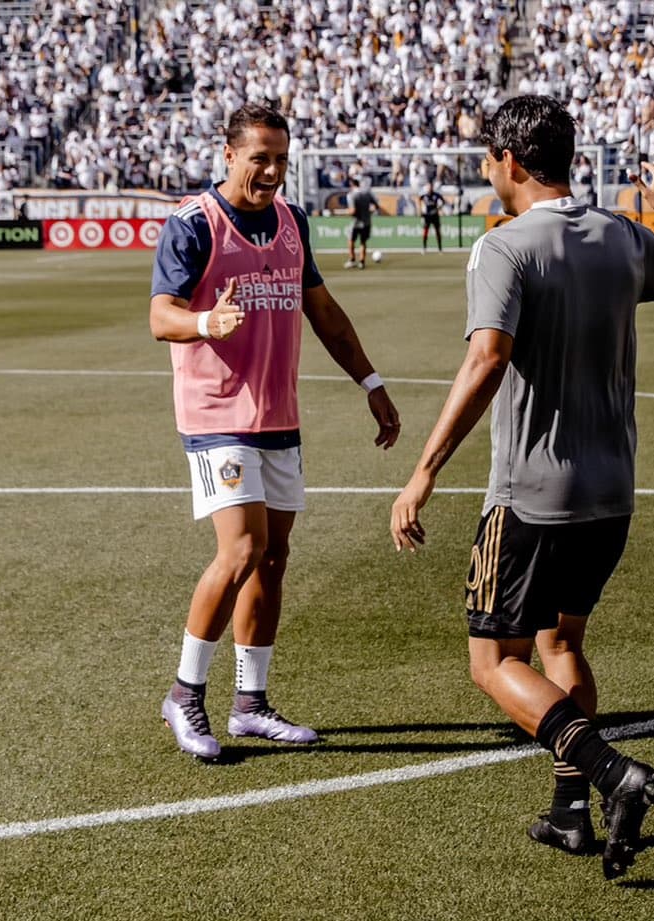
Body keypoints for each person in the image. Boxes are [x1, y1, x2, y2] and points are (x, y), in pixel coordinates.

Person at [389, 95, 654, 879]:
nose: (483, 169)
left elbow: (486, 358)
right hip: (612, 491)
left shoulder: (502, 247)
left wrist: (423, 470)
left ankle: (612, 774)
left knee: (489, 659)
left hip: (530, 494)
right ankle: (570, 811)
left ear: (508, 162)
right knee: (561, 641)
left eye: (485, 157)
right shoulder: (622, 234)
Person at [150, 103, 401, 761]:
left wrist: (370, 384)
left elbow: (322, 310)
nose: (270, 171)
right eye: (259, 157)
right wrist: (206, 324)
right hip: (215, 415)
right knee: (240, 549)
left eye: (280, 159)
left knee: (272, 557)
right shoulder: (192, 223)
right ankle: (184, 693)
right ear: (228, 154)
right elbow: (160, 314)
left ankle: (250, 704)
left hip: (278, 418)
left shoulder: (291, 222)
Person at [345, 177, 380, 269]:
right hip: (366, 221)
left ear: (352, 184)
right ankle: (362, 262)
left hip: (355, 222)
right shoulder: (367, 193)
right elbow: (376, 206)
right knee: (363, 242)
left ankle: (352, 260)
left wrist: (345, 212)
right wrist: (369, 212)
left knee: (351, 240)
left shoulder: (351, 195)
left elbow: (352, 211)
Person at [419, 181, 446, 253]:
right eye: (428, 187)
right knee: (425, 232)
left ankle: (440, 249)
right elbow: (419, 202)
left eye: (431, 186)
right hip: (427, 216)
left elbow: (443, 202)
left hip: (435, 216)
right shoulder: (424, 196)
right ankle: (424, 248)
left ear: (432, 187)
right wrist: (421, 214)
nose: (430, 188)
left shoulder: (436, 195)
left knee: (438, 232)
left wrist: (438, 208)